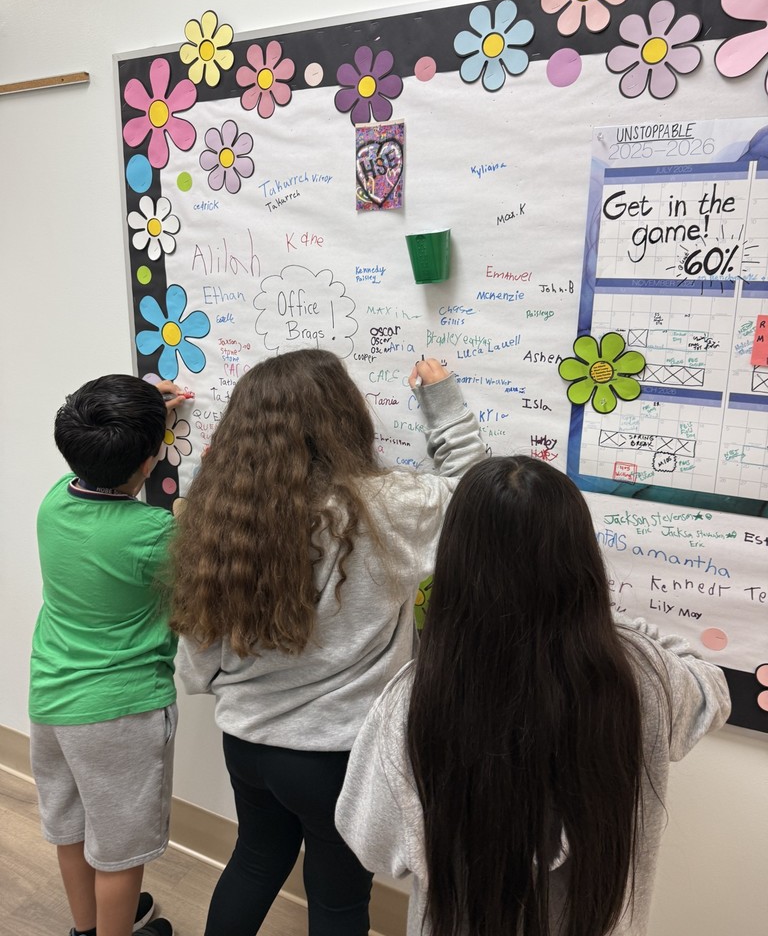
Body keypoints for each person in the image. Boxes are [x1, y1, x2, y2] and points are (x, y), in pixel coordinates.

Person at [336, 455, 732, 936]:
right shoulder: (642, 678)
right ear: (582, 560)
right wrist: (605, 624)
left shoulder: (417, 698)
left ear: (457, 560)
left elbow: (372, 844)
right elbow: (712, 691)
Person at [170, 349, 485, 936]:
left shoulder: (220, 509)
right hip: (339, 758)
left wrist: (215, 686)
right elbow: (473, 493)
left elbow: (197, 643)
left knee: (255, 860)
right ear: (346, 417)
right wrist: (442, 402)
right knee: (338, 900)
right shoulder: (383, 505)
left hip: (248, 742)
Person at [29, 374, 190, 936]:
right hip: (119, 714)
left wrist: (140, 408)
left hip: (51, 700)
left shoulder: (54, 501)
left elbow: (97, 442)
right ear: (150, 462)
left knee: (72, 831)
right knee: (119, 853)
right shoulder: (155, 535)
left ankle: (87, 929)